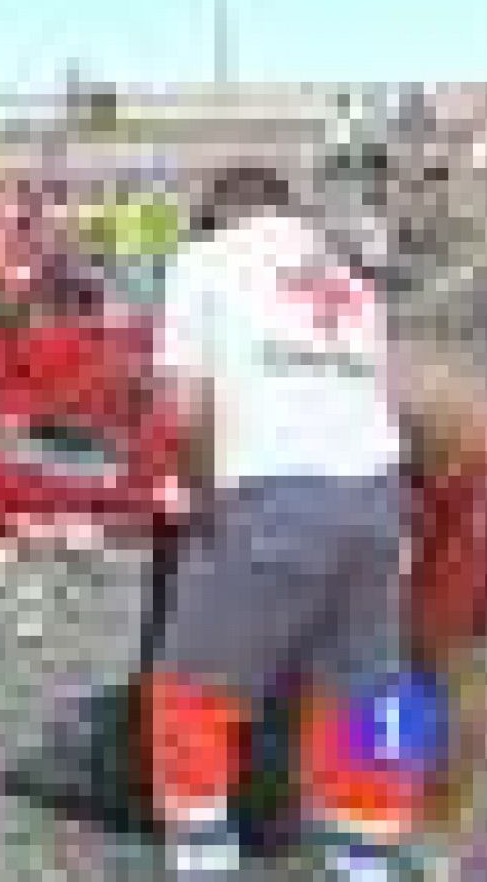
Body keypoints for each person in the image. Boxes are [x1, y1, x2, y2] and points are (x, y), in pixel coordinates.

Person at [142, 164, 434, 879]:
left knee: (191, 690)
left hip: (270, 498)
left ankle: (204, 857)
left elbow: (181, 409)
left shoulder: (204, 259)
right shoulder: (351, 274)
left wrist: (200, 496)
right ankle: (371, 855)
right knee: (373, 692)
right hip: (377, 500)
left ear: (218, 212)